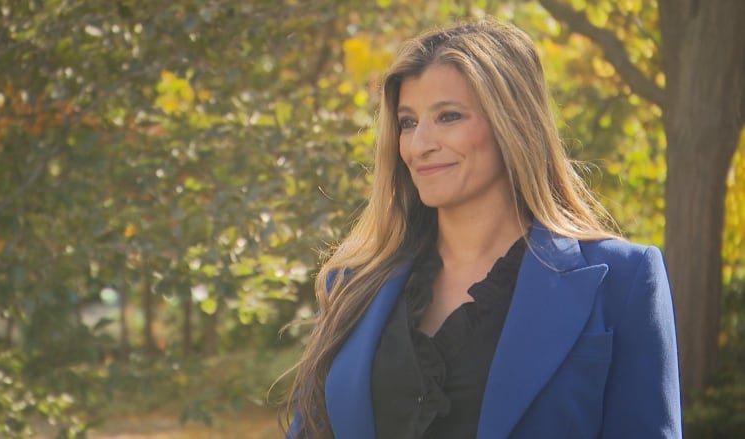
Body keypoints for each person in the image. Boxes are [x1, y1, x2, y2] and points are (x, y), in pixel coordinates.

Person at [283, 18, 682, 439]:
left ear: (511, 122)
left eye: (448, 116)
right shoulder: (352, 286)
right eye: (408, 122)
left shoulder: (622, 279)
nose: (420, 145)